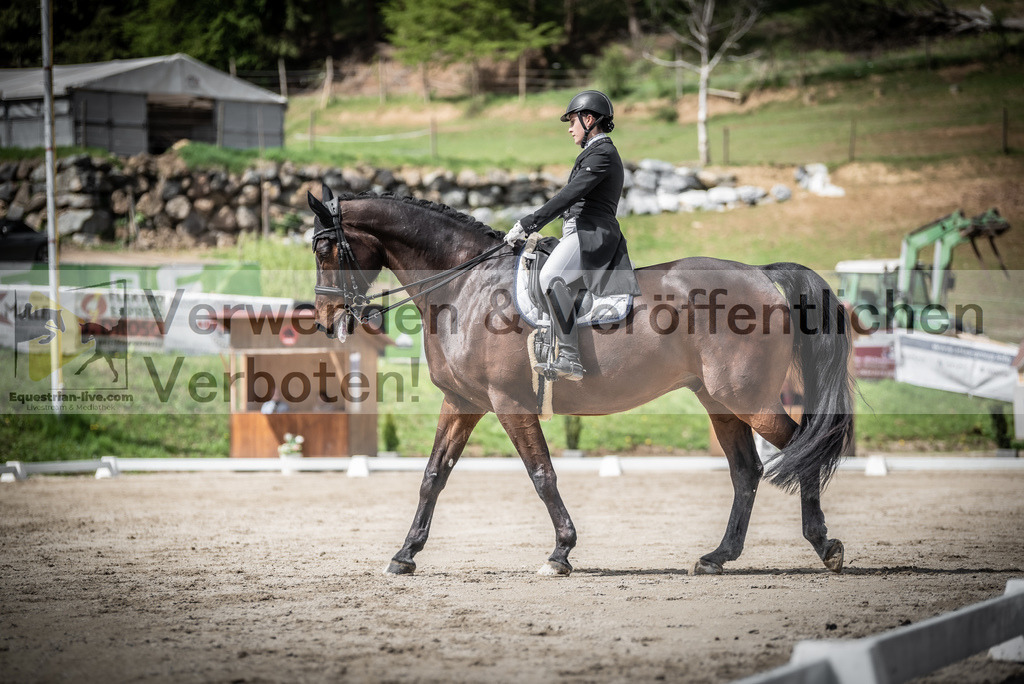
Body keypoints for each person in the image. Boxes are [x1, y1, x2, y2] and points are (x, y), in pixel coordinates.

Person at [504, 90, 641, 381]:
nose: (569, 129)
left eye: (572, 121)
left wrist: (528, 224)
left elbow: (569, 196)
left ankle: (569, 357)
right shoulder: (592, 153)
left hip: (591, 232)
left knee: (549, 277)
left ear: (589, 119)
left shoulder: (602, 154)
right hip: (578, 231)